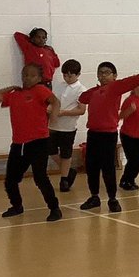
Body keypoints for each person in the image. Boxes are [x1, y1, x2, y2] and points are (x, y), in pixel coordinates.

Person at [78, 62, 139, 212]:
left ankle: (112, 199)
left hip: (108, 134)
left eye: (107, 72)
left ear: (114, 76)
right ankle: (94, 196)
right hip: (93, 134)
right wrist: (97, 89)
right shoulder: (96, 91)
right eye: (100, 72)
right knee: (92, 167)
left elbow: (128, 82)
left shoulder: (115, 87)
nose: (102, 75)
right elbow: (83, 98)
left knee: (108, 167)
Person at [0, 64, 62, 220]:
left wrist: (54, 118)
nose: (27, 78)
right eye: (25, 75)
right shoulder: (14, 94)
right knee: (10, 180)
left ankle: (54, 208)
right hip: (19, 144)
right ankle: (16, 206)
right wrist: (11, 87)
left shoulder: (40, 91)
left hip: (38, 142)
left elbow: (55, 102)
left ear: (39, 78)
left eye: (32, 75)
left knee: (40, 177)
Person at [51, 59, 87, 191]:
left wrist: (64, 112)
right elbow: (52, 101)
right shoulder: (59, 85)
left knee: (66, 153)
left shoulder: (81, 90)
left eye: (70, 76)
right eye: (64, 75)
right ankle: (69, 171)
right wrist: (50, 108)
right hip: (52, 125)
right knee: (51, 151)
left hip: (68, 127)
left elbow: (82, 110)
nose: (66, 78)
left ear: (78, 75)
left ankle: (64, 179)